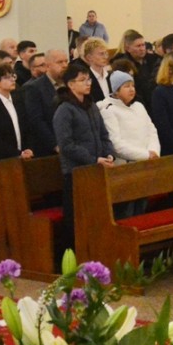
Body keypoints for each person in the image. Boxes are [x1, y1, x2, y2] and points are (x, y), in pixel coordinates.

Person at [52, 62, 114, 253]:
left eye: (88, 79)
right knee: (77, 217)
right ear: (71, 84)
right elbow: (66, 145)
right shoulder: (64, 110)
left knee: (96, 214)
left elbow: (103, 134)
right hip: (76, 172)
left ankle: (97, 250)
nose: (88, 83)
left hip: (96, 169)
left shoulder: (91, 106)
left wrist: (108, 153)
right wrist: (93, 159)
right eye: (82, 80)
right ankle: (75, 254)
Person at [99, 71, 160, 163]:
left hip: (150, 160)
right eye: (127, 86)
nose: (131, 89)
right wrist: (146, 155)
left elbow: (152, 131)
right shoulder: (109, 110)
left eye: (133, 86)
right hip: (127, 164)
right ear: (116, 91)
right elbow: (116, 144)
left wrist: (154, 151)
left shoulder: (139, 106)